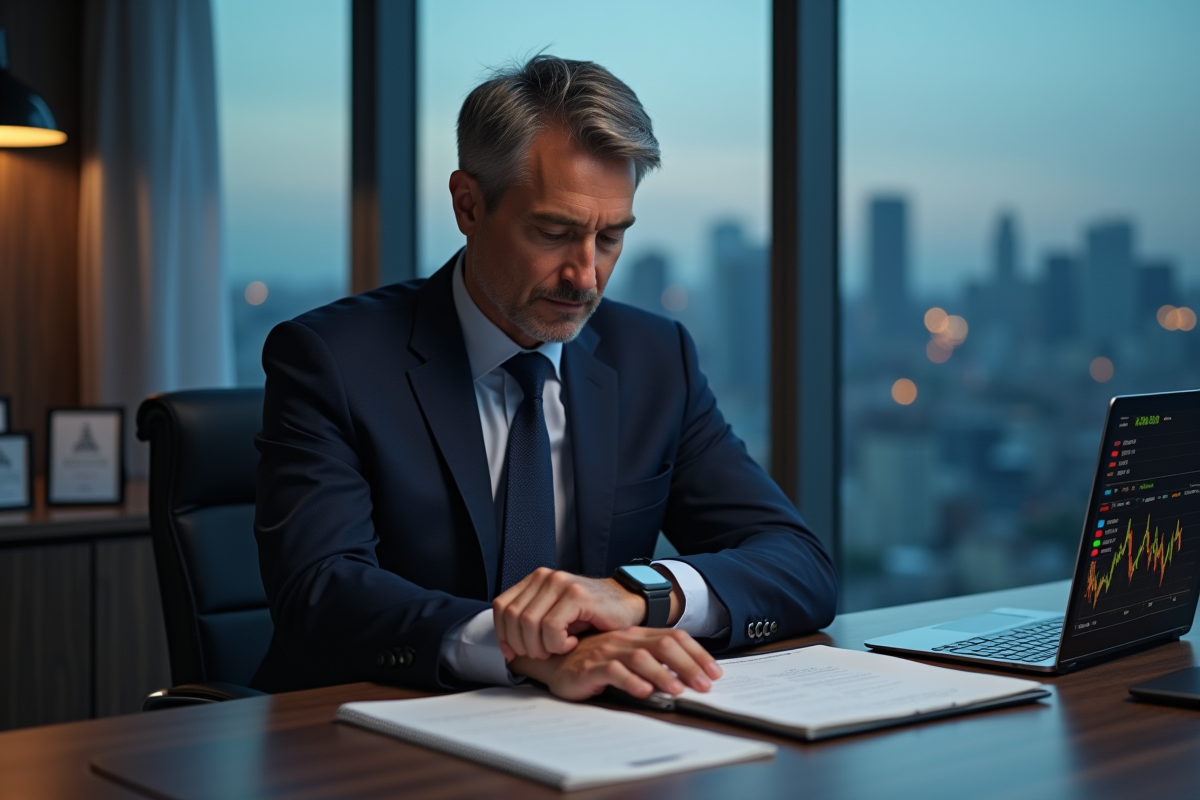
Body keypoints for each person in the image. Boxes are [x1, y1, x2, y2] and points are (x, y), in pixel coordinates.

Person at [251, 55, 837, 701]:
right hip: (361, 734)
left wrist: (637, 596)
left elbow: (799, 564)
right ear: (468, 205)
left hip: (583, 733)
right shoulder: (330, 360)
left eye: (611, 237)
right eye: (555, 232)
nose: (585, 276)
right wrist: (520, 650)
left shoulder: (654, 358)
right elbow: (320, 592)